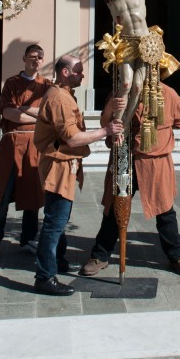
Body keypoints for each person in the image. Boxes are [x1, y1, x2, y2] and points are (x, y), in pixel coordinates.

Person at [59, 0, 180, 142]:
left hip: (146, 42)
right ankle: (116, 123)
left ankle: (123, 125)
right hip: (126, 43)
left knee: (138, 87)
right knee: (126, 83)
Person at [80, 76, 180, 278]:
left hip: (155, 162)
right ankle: (100, 255)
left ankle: (177, 257)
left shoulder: (169, 93)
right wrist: (112, 107)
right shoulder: (119, 92)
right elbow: (104, 121)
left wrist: (158, 137)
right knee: (114, 209)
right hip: (125, 157)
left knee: (165, 211)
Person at [33, 53, 123, 296]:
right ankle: (45, 276)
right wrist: (105, 130)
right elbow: (72, 138)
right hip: (58, 167)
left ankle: (57, 262)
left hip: (64, 165)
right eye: (79, 71)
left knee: (58, 220)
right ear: (65, 72)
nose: (83, 74)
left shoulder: (64, 95)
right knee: (55, 222)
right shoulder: (60, 98)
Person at [0, 44, 51, 262]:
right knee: (2, 195)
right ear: (24, 58)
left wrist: (26, 110)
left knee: (32, 194)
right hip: (12, 145)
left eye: (40, 57)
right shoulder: (12, 83)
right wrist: (35, 115)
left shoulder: (47, 85)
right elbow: (10, 113)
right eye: (32, 57)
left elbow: (49, 113)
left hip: (35, 145)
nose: (36, 61)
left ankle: (28, 239)